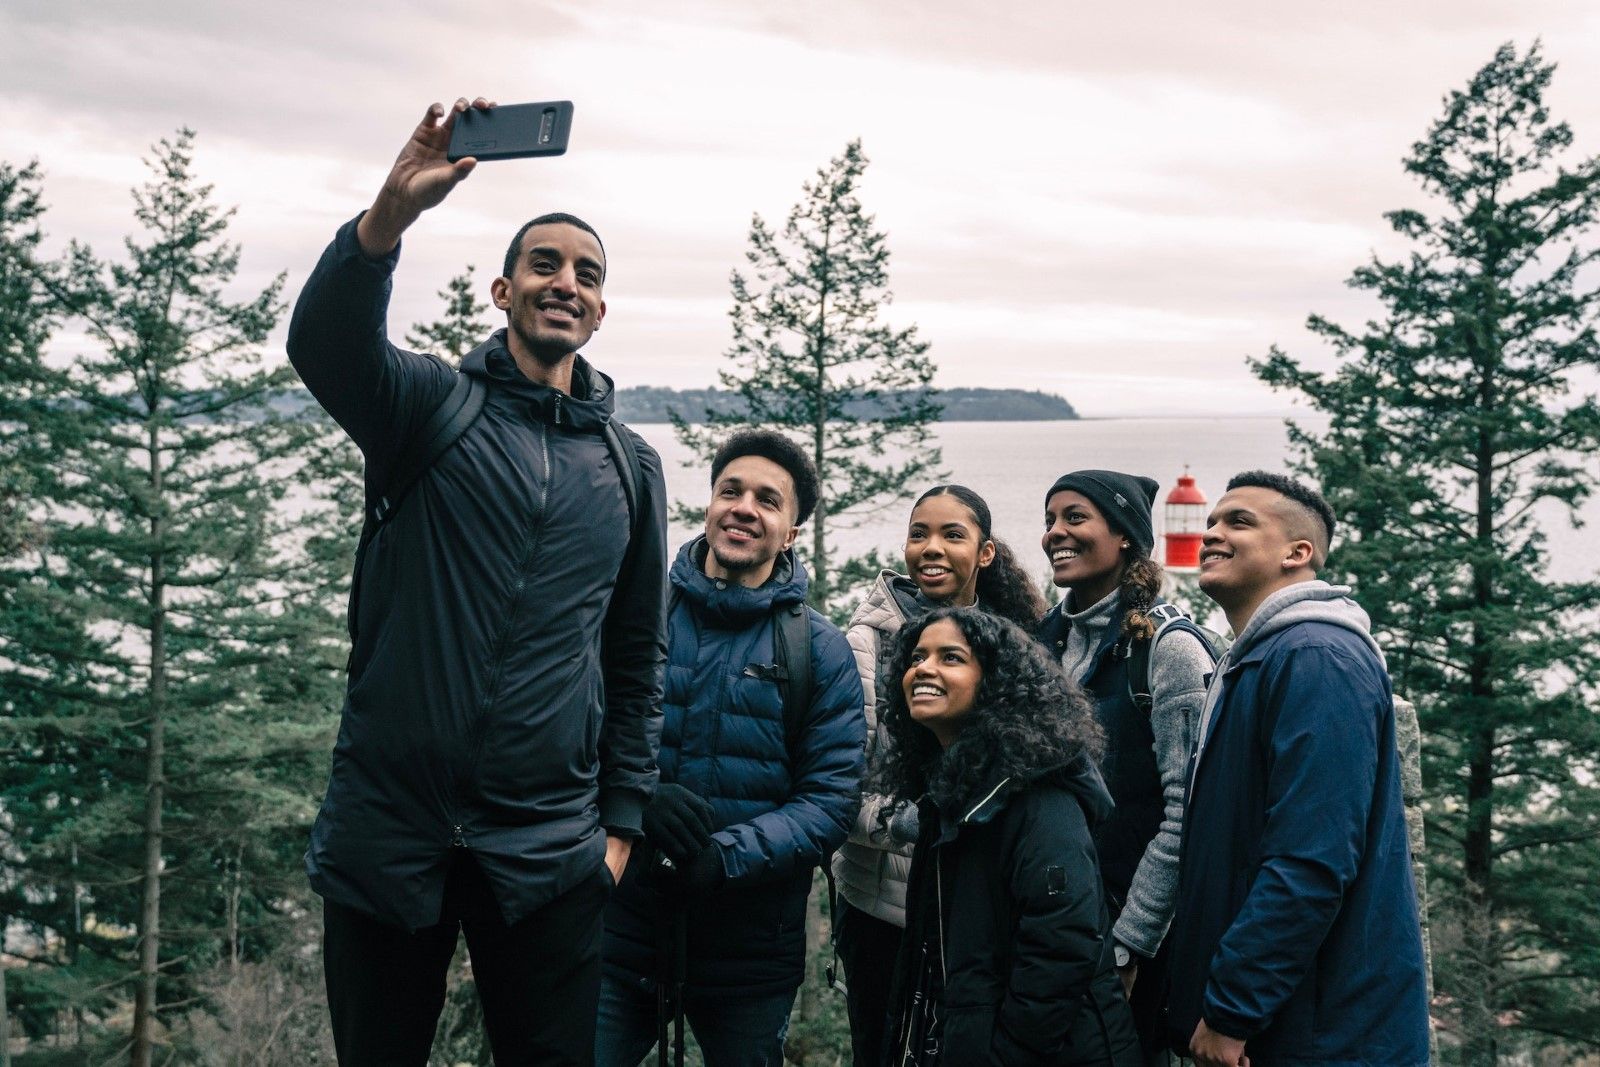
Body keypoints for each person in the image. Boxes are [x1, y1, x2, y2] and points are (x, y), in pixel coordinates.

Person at [286, 99, 668, 1065]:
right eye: (544, 263)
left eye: (587, 273)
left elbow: (635, 651)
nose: (565, 282)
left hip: (549, 844)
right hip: (390, 828)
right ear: (503, 290)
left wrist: (617, 826)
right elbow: (324, 346)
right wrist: (388, 217)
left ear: (600, 310)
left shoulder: (630, 465)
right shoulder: (426, 406)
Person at [596, 430, 866, 1067]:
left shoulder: (818, 651)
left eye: (769, 500)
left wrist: (724, 858)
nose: (745, 507)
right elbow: (571, 736)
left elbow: (829, 801)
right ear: (710, 506)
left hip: (750, 950)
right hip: (620, 928)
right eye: (731, 491)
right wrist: (635, 799)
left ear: (791, 531)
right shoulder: (632, 614)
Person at [1167, 471, 1429, 1066]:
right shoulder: (1259, 660)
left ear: (1298, 553)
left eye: (1238, 522)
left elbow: (1312, 858)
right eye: (1210, 521)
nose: (1210, 532)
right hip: (1284, 1023)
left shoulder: (1316, 658)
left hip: (1317, 1033)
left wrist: (1232, 1009)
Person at [830, 485, 1045, 1066]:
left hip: (980, 907)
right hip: (883, 909)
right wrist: (923, 825)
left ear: (985, 553)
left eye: (953, 535)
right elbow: (837, 789)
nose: (932, 547)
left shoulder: (1013, 645)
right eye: (919, 533)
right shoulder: (866, 644)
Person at [873, 607, 1141, 1065]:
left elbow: (1061, 952)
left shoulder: (1039, 796)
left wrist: (1003, 1056)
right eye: (917, 658)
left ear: (996, 683)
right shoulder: (950, 794)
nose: (924, 669)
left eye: (951, 658)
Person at [1036, 470, 1216, 1064]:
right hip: (1045, 926)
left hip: (1124, 945)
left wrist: (1129, 944)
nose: (1055, 532)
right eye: (1050, 519)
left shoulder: (1168, 652)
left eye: (1075, 517)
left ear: (1126, 538)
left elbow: (1185, 815)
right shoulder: (1042, 643)